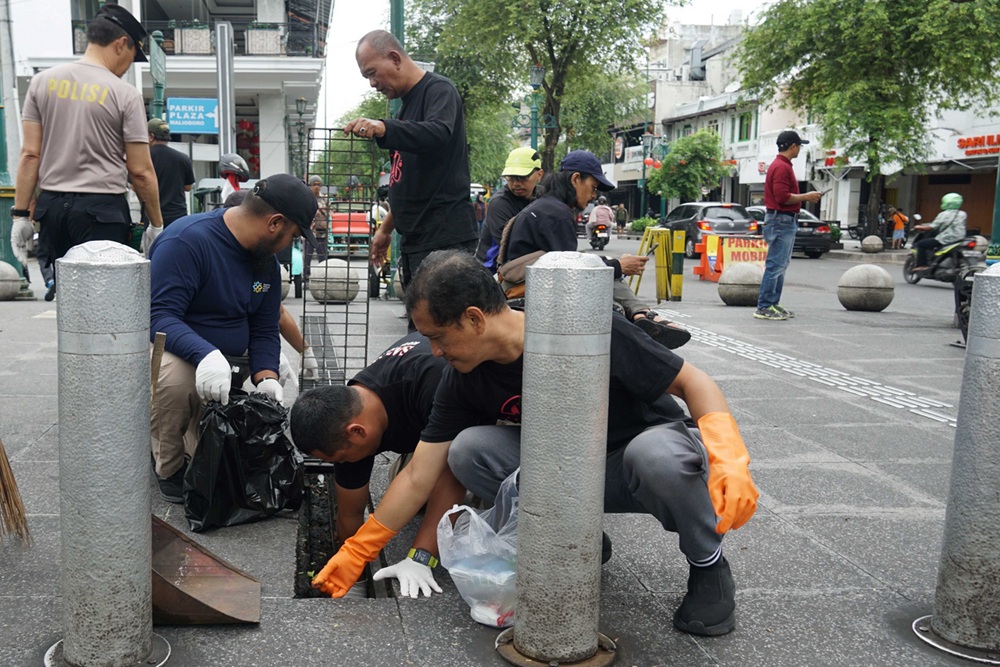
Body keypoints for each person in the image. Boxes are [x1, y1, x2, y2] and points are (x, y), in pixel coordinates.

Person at [311, 249, 758, 638]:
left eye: (437, 337)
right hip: (567, 472)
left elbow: (692, 381)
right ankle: (573, 535)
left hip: (636, 460)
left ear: (473, 318)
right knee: (468, 449)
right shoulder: (462, 379)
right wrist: (359, 548)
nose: (433, 352)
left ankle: (708, 565)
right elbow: (418, 474)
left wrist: (728, 457)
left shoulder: (580, 328)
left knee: (655, 456)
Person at [148, 173, 318, 503]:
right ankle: (167, 467)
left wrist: (267, 375)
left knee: (231, 456)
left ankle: (193, 443)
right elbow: (159, 317)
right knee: (177, 379)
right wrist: (205, 353)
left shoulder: (264, 264)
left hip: (232, 361)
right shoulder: (186, 242)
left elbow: (265, 327)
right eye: (294, 235)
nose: (290, 245)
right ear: (275, 223)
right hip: (182, 353)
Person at [291, 333, 464, 598]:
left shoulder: (433, 380)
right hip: (425, 436)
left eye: (340, 460)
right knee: (411, 491)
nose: (342, 465)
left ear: (357, 432)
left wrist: (421, 555)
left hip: (488, 430)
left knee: (457, 460)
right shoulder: (351, 413)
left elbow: (450, 473)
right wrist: (351, 573)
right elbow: (349, 512)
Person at [11, 3, 162, 303]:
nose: (129, 65)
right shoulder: (124, 94)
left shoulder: (42, 83)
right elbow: (141, 171)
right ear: (121, 44)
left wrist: (19, 216)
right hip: (101, 212)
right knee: (105, 304)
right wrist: (156, 224)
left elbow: (30, 154)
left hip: (52, 211)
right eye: (133, 57)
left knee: (71, 304)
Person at [501, 150, 691, 349]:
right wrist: (618, 266)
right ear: (576, 179)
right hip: (531, 295)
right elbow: (573, 273)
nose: (593, 196)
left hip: (531, 287)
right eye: (593, 188)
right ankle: (642, 314)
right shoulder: (557, 214)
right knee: (611, 283)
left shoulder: (546, 207)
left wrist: (614, 264)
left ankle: (640, 313)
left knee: (607, 267)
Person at [343, 30, 478, 293]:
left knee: (440, 328)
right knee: (422, 327)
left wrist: (384, 128)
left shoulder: (439, 90)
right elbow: (408, 183)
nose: (372, 83)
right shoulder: (406, 107)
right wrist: (385, 229)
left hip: (443, 238)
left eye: (372, 72)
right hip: (417, 240)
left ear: (394, 58)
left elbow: (439, 132)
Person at [754, 130, 823, 321]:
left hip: (783, 219)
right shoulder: (781, 167)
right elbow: (782, 197)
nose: (800, 149)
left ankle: (773, 303)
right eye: (799, 145)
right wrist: (807, 197)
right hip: (780, 219)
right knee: (776, 265)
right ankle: (764, 306)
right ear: (792, 146)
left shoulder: (782, 165)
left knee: (781, 265)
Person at [475, 147, 544, 274]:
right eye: (511, 178)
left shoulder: (544, 197)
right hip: (493, 272)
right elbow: (510, 246)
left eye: (522, 177)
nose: (516, 184)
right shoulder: (499, 203)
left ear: (539, 175)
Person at [146, 118, 194, 228]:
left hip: (152, 216)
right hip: (177, 216)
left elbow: (134, 186)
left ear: (151, 136)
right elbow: (188, 187)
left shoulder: (145, 158)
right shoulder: (183, 158)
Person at [912, 193, 967, 272]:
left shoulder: (943, 214)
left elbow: (932, 227)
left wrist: (918, 227)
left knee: (921, 244)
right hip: (960, 238)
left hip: (945, 239)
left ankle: (922, 265)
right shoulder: (963, 214)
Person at [303, 175, 329, 283]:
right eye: (314, 184)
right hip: (308, 232)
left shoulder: (325, 198)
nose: (317, 187)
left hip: (321, 232)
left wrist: (321, 212)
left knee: (322, 256)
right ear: (310, 186)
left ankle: (323, 277)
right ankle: (306, 277)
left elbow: (329, 213)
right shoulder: (306, 197)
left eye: (319, 185)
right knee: (307, 257)